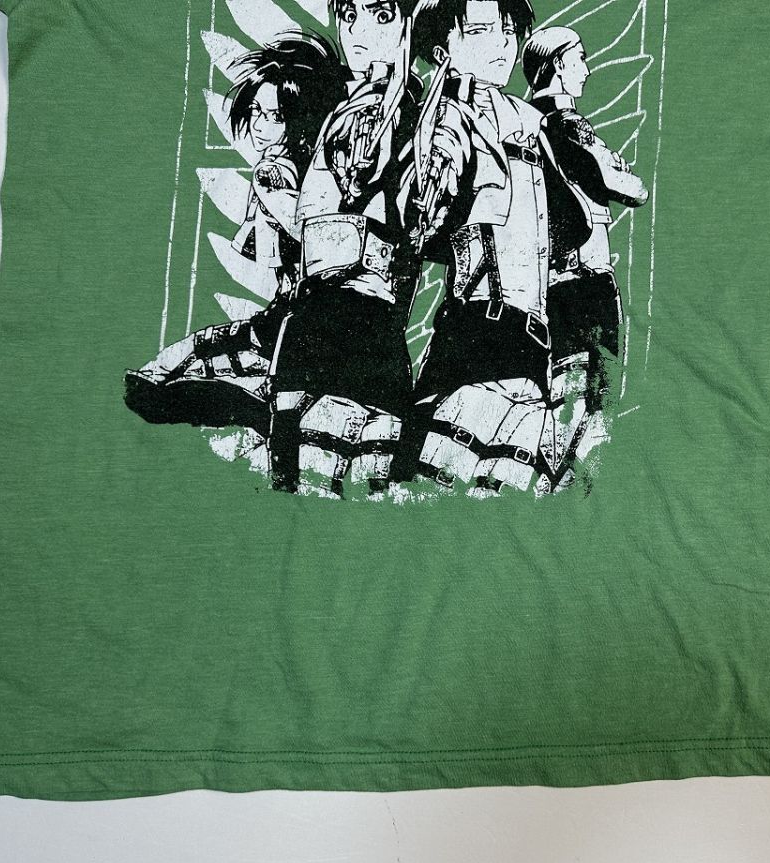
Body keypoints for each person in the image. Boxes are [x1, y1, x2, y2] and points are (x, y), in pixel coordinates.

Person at [392, 0, 591, 495]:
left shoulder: (529, 120)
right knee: (436, 477)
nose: (502, 43)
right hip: (479, 330)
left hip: (533, 343)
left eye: (507, 29)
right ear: (443, 49)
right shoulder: (449, 115)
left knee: (509, 484)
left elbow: (572, 224)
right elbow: (423, 202)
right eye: (480, 31)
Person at [123, 34, 347, 441]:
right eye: (257, 111)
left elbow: (314, 236)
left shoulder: (278, 173)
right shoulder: (312, 168)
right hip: (296, 317)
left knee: (189, 359)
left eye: (275, 116)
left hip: (303, 320)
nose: (259, 126)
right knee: (189, 357)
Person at [266, 0, 424, 498]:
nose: (357, 31)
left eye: (380, 15)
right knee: (300, 468)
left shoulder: (418, 113)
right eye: (349, 16)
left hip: (367, 312)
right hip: (324, 310)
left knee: (364, 478)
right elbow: (311, 214)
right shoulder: (349, 111)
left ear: (409, 23)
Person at [523, 26, 649, 466]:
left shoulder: (523, 125)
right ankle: (575, 484)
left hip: (548, 282)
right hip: (586, 279)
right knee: (596, 403)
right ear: (558, 66)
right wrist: (623, 173)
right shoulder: (568, 124)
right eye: (579, 59)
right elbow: (627, 187)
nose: (587, 69)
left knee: (563, 395)